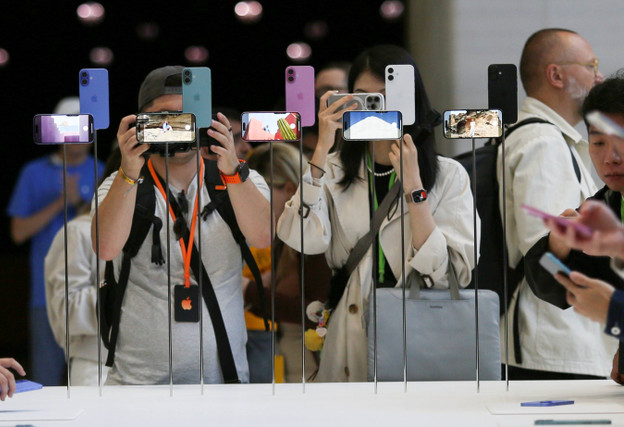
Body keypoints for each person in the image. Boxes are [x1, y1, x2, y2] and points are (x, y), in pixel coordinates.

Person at [277, 45, 478, 382]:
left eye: (387, 97)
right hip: (349, 332)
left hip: (420, 327)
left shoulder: (449, 174)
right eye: (365, 99)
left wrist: (415, 188)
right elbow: (302, 240)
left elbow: (450, 273)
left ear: (412, 100)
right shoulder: (333, 169)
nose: (377, 109)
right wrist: (322, 150)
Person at [92, 66, 271, 384]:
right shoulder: (120, 184)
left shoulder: (241, 179)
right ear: (139, 124)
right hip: (137, 384)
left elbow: (262, 237)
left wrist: (230, 169)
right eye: (162, 116)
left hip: (223, 380)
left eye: (186, 116)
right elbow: (105, 247)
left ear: (207, 120)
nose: (175, 126)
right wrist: (128, 171)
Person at [498, 28, 607, 379]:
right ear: (556, 75)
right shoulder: (543, 142)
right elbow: (541, 253)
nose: (599, 76)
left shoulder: (550, 138)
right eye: (591, 65)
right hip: (553, 346)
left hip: (560, 342)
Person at [524, 73, 624, 382]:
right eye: (598, 142)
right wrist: (557, 245)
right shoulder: (605, 205)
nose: (611, 157)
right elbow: (545, 283)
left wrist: (615, 312)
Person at [7, 97, 105, 385]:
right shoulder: (33, 172)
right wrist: (60, 203)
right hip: (46, 293)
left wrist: (79, 203)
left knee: (96, 379)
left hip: (94, 293)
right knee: (46, 379)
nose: (76, 136)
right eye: (68, 126)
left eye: (82, 128)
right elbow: (18, 233)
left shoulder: (103, 169)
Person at [245, 143, 332, 382]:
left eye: (260, 192)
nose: (252, 203)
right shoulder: (286, 234)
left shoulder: (312, 236)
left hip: (312, 368)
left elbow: (318, 313)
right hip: (293, 362)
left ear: (289, 188)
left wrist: (249, 291)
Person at [44, 148, 121, 386]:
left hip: (155, 368)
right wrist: (131, 295)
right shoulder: (79, 232)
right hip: (96, 369)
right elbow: (67, 312)